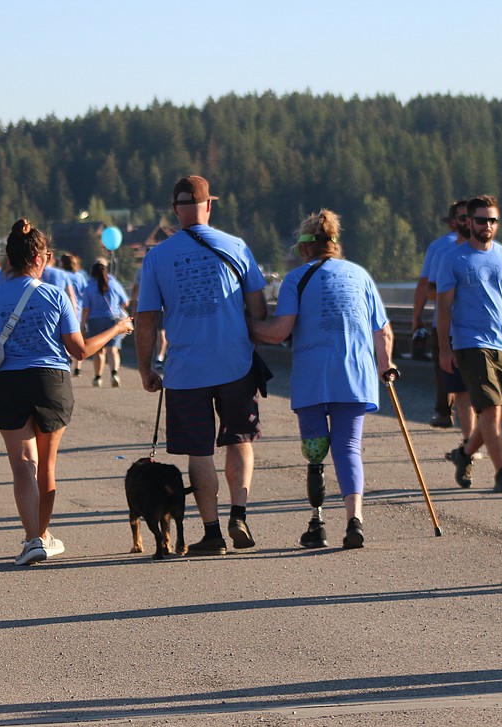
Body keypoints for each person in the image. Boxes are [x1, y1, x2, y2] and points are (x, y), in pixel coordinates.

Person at [0, 218, 134, 565]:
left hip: (8, 383)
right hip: (50, 381)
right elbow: (80, 350)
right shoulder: (55, 295)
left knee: (23, 465)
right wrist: (117, 327)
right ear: (41, 258)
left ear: (10, 258)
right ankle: (42, 534)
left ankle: (32, 540)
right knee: (47, 466)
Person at [135, 175, 267, 555]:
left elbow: (146, 319)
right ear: (210, 206)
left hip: (185, 370)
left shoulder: (158, 256)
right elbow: (257, 308)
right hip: (235, 364)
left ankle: (212, 533)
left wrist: (146, 369)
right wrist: (246, 344)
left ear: (176, 211)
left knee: (200, 451)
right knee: (239, 440)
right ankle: (238, 513)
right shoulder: (237, 247)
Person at [249, 209, 394, 549]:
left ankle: (317, 522)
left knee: (315, 451)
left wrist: (246, 326)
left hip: (313, 375)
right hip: (354, 375)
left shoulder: (295, 280)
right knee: (348, 449)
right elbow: (383, 332)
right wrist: (385, 366)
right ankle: (354, 520)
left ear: (304, 249)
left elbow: (279, 331)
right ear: (335, 244)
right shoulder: (360, 276)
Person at [436, 194, 502, 493]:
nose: (487, 225)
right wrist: (445, 348)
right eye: (481, 220)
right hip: (469, 343)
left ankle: (463, 455)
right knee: (490, 408)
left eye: (492, 220)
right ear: (469, 222)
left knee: (499, 410)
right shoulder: (454, 260)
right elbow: (443, 307)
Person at [413, 200, 473, 434]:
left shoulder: (438, 247)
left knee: (445, 371)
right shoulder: (482, 248)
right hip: (461, 326)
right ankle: (471, 429)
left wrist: (416, 319)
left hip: (444, 324)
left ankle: (444, 411)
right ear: (454, 222)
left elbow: (424, 287)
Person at [81, 259, 130, 387]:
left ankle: (98, 377)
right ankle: (114, 374)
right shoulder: (114, 283)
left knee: (98, 351)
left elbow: (86, 308)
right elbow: (126, 302)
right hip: (113, 320)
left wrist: (82, 325)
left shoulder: (89, 286)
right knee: (113, 349)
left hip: (95, 321)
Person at [60, 253, 89, 376]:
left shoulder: (62, 275)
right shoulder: (80, 276)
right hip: (78, 309)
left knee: (64, 337)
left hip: (65, 309)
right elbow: (84, 292)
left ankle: (67, 358)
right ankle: (78, 367)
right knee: (79, 339)